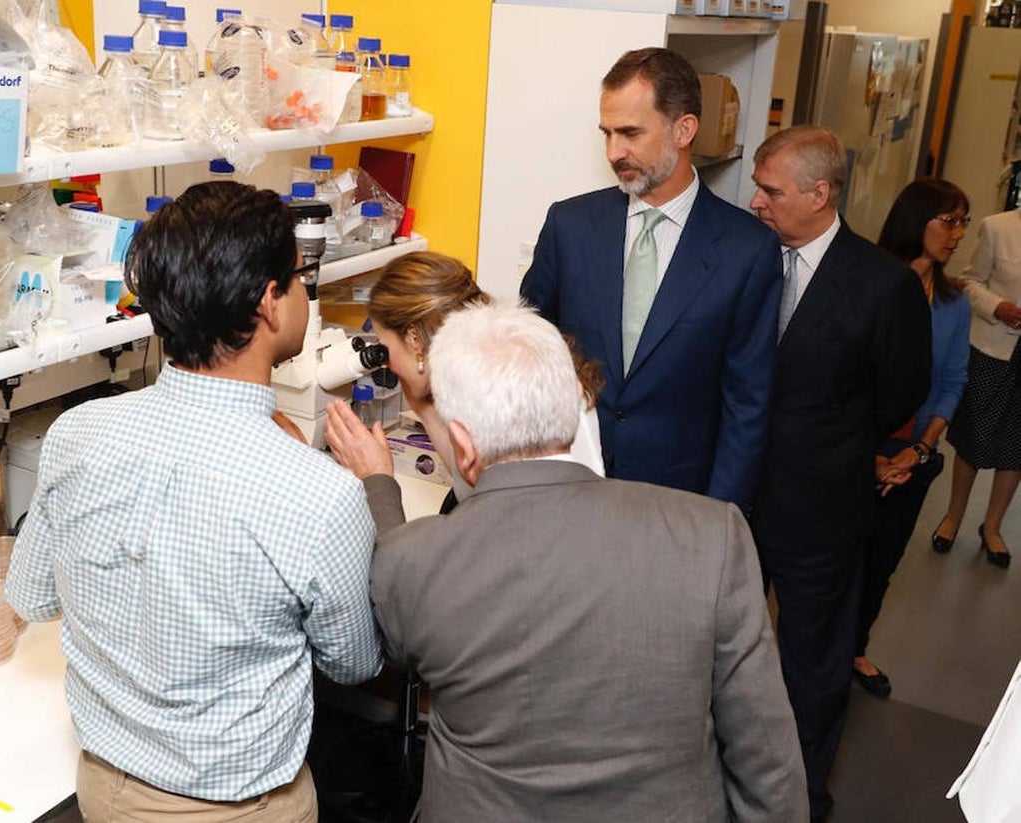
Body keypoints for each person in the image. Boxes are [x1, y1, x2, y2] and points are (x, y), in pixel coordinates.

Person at [325, 301, 808, 822]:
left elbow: (389, 606)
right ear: (574, 402)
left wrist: (377, 485)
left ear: (462, 445)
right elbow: (766, 758)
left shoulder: (417, 561)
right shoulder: (713, 535)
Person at [6, 182, 383, 822]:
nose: (302, 292)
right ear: (270, 303)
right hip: (241, 808)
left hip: (106, 789)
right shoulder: (321, 495)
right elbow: (354, 663)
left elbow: (32, 596)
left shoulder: (75, 433)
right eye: (297, 278)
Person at [748, 125, 932, 821]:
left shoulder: (882, 283)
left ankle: (800, 793)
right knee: (721, 644)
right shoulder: (745, 258)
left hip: (822, 506)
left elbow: (900, 393)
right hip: (735, 493)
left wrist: (836, 441)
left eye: (771, 190)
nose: (757, 201)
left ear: (819, 194)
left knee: (813, 663)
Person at [520, 47, 781, 509]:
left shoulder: (747, 250)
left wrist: (718, 519)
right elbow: (530, 358)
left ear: (684, 130)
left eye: (630, 133)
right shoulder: (570, 226)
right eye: (606, 134)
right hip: (569, 487)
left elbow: (747, 405)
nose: (613, 152)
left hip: (677, 500)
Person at [364, 250, 604, 508]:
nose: (388, 363)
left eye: (385, 347)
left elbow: (496, 506)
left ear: (414, 339)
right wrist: (424, 409)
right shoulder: (464, 372)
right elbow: (467, 483)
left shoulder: (506, 384)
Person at [853, 179, 971, 699]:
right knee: (839, 559)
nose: (957, 234)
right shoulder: (869, 283)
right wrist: (871, 456)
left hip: (914, 454)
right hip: (858, 449)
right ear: (915, 220)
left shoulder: (953, 302)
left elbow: (953, 381)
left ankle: (854, 649)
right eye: (948, 221)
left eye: (963, 222)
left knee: (882, 562)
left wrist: (920, 449)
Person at [933, 208, 1021, 568]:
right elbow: (969, 283)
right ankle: (953, 516)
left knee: (1017, 444)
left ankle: (993, 527)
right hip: (994, 348)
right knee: (973, 435)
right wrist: (997, 306)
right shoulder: (998, 227)